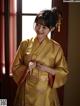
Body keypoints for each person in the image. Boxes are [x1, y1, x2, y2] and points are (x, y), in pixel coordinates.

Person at [12, 7, 69, 106]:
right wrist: (27, 68)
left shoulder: (56, 48)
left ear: (52, 28)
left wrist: (47, 69)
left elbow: (63, 72)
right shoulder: (25, 44)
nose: (39, 29)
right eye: (37, 25)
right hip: (25, 90)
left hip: (45, 93)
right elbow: (15, 67)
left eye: (44, 27)